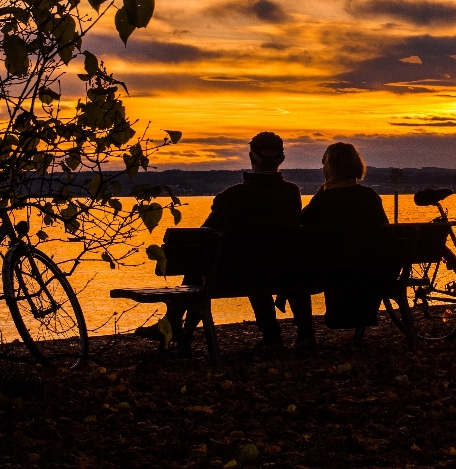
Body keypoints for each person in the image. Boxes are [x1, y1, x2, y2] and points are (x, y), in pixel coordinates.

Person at [136, 132, 315, 353]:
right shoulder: (292, 193)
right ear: (282, 158)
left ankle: (178, 328)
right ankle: (283, 336)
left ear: (252, 157)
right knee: (214, 263)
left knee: (201, 261)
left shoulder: (234, 195)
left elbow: (202, 237)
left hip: (239, 275)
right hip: (283, 272)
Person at [301, 142, 389, 344]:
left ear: (329, 167)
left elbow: (300, 224)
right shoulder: (370, 197)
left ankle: (305, 335)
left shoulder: (324, 200)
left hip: (333, 272)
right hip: (371, 272)